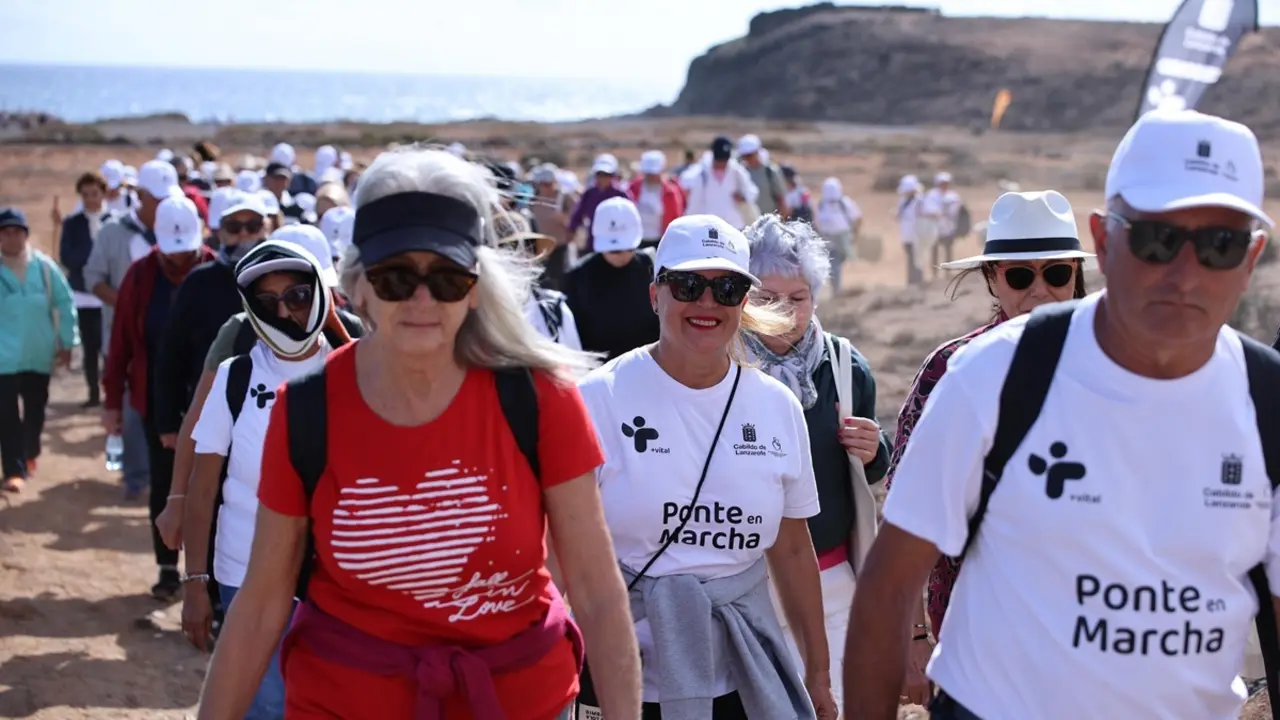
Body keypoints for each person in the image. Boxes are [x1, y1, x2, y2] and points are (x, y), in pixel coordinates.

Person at [843, 113, 1273, 720]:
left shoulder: (1268, 401)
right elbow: (892, 581)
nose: (1185, 272)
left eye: (1219, 245)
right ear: (1104, 240)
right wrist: (917, 644)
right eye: (1156, 240)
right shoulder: (984, 375)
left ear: (1252, 256)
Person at [196, 147, 641, 720]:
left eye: (448, 277)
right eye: (396, 276)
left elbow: (599, 595)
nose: (422, 299)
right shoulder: (306, 412)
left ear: (476, 287)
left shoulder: (540, 400)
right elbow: (259, 606)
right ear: (355, 287)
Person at [574, 213, 834, 719]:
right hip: (620, 678)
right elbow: (562, 552)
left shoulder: (776, 406)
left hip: (743, 676)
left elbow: (793, 551)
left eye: (728, 288)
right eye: (688, 285)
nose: (707, 303)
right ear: (656, 295)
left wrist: (818, 672)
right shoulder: (598, 398)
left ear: (745, 301)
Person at [870, 189, 1093, 702]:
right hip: (977, 642)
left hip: (1092, 638)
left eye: (1056, 273)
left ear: (1076, 276)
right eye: (1020, 275)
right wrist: (913, 637)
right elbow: (905, 513)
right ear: (993, 278)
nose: (1039, 291)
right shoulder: (951, 369)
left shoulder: (1114, 370)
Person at [181, 239, 346, 719]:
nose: (285, 312)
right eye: (267, 302)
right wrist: (195, 583)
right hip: (245, 574)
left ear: (317, 294)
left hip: (336, 578)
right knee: (268, 705)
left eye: (296, 295)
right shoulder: (235, 377)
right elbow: (203, 486)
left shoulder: (357, 373)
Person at [739, 215, 890, 710]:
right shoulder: (721, 368)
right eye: (766, 296)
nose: (783, 309)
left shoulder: (848, 369)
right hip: (744, 584)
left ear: (817, 296)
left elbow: (863, 475)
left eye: (797, 297)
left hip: (833, 587)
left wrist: (874, 452)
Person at [103, 196, 214, 598]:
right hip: (156, 402)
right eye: (172, 257)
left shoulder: (219, 273)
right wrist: (112, 402)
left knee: (213, 490)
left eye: (187, 255)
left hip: (214, 405)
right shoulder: (139, 277)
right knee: (166, 485)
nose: (179, 264)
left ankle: (207, 577)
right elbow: (120, 346)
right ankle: (168, 568)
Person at [87, 159, 183, 501]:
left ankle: (164, 479)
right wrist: (128, 304)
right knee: (131, 407)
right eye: (156, 198)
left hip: (168, 341)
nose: (163, 205)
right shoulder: (113, 232)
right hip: (123, 337)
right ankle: (136, 477)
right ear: (141, 196)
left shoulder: (180, 229)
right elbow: (92, 278)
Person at [153, 191, 270, 457]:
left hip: (270, 414)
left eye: (252, 227)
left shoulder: (283, 279)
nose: (243, 235)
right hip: (211, 415)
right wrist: (169, 421)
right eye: (233, 227)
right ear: (219, 232)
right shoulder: (198, 283)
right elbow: (171, 356)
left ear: (266, 228)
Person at [0, 208, 76, 492]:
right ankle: (13, 469)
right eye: (5, 232)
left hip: (38, 354)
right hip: (3, 359)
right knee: (6, 415)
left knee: (35, 411)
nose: (11, 238)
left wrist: (68, 343)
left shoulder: (44, 268)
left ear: (25, 235)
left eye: (17, 231)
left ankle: (29, 452)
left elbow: (65, 304)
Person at [563, 197, 660, 361]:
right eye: (613, 250)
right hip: (599, 369)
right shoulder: (578, 276)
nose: (620, 255)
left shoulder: (652, 267)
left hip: (647, 363)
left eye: (627, 248)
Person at [59, 171, 115, 407]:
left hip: (109, 295)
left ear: (103, 193)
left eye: (95, 193)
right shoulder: (73, 223)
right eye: (86, 195)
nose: (91, 199)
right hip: (83, 295)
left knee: (110, 348)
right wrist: (93, 260)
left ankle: (111, 393)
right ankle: (93, 392)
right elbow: (67, 256)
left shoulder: (114, 222)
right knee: (90, 347)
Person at [493, 208, 583, 350]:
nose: (522, 256)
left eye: (529, 247)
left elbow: (577, 368)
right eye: (511, 248)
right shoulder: (479, 317)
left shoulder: (555, 310)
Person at [683, 137, 759, 230]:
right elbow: (689, 188)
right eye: (719, 160)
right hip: (710, 226)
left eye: (725, 160)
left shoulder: (736, 171)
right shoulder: (703, 173)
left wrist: (743, 198)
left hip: (734, 225)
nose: (722, 164)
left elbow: (752, 191)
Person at [813, 178, 862, 294]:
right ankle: (836, 289)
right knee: (835, 261)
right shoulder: (827, 203)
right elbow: (858, 218)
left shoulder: (843, 203)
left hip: (838, 236)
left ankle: (835, 287)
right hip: (831, 236)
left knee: (837, 261)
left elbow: (857, 217)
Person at [628, 151, 685, 249]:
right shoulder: (634, 187)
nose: (651, 176)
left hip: (661, 239)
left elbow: (676, 215)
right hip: (636, 239)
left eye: (654, 173)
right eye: (648, 173)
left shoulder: (670, 191)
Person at [737, 135, 789, 219]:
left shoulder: (770, 171)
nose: (747, 159)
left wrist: (781, 220)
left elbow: (781, 199)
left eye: (749, 155)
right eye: (744, 156)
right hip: (748, 222)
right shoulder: (740, 171)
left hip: (768, 221)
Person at [926, 172, 963, 268]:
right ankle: (934, 271)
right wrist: (936, 213)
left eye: (946, 183)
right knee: (934, 250)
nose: (944, 185)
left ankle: (948, 270)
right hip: (934, 227)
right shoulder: (932, 195)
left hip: (949, 227)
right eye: (942, 183)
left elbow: (956, 209)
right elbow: (929, 208)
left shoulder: (953, 196)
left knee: (948, 249)